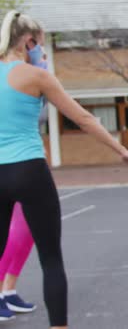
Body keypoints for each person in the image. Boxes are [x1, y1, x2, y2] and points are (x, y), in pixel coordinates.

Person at [0, 10, 128, 328]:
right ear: (28, 41)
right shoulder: (35, 76)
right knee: (50, 259)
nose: (41, 54)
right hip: (29, 168)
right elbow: (83, 118)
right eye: (40, 46)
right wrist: (123, 151)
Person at [0, 39, 50, 321]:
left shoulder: (31, 76)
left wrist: (41, 65)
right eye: (35, 43)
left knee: (26, 231)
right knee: (11, 233)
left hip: (28, 162)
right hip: (7, 164)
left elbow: (41, 114)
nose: (39, 50)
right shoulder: (9, 77)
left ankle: (8, 290)